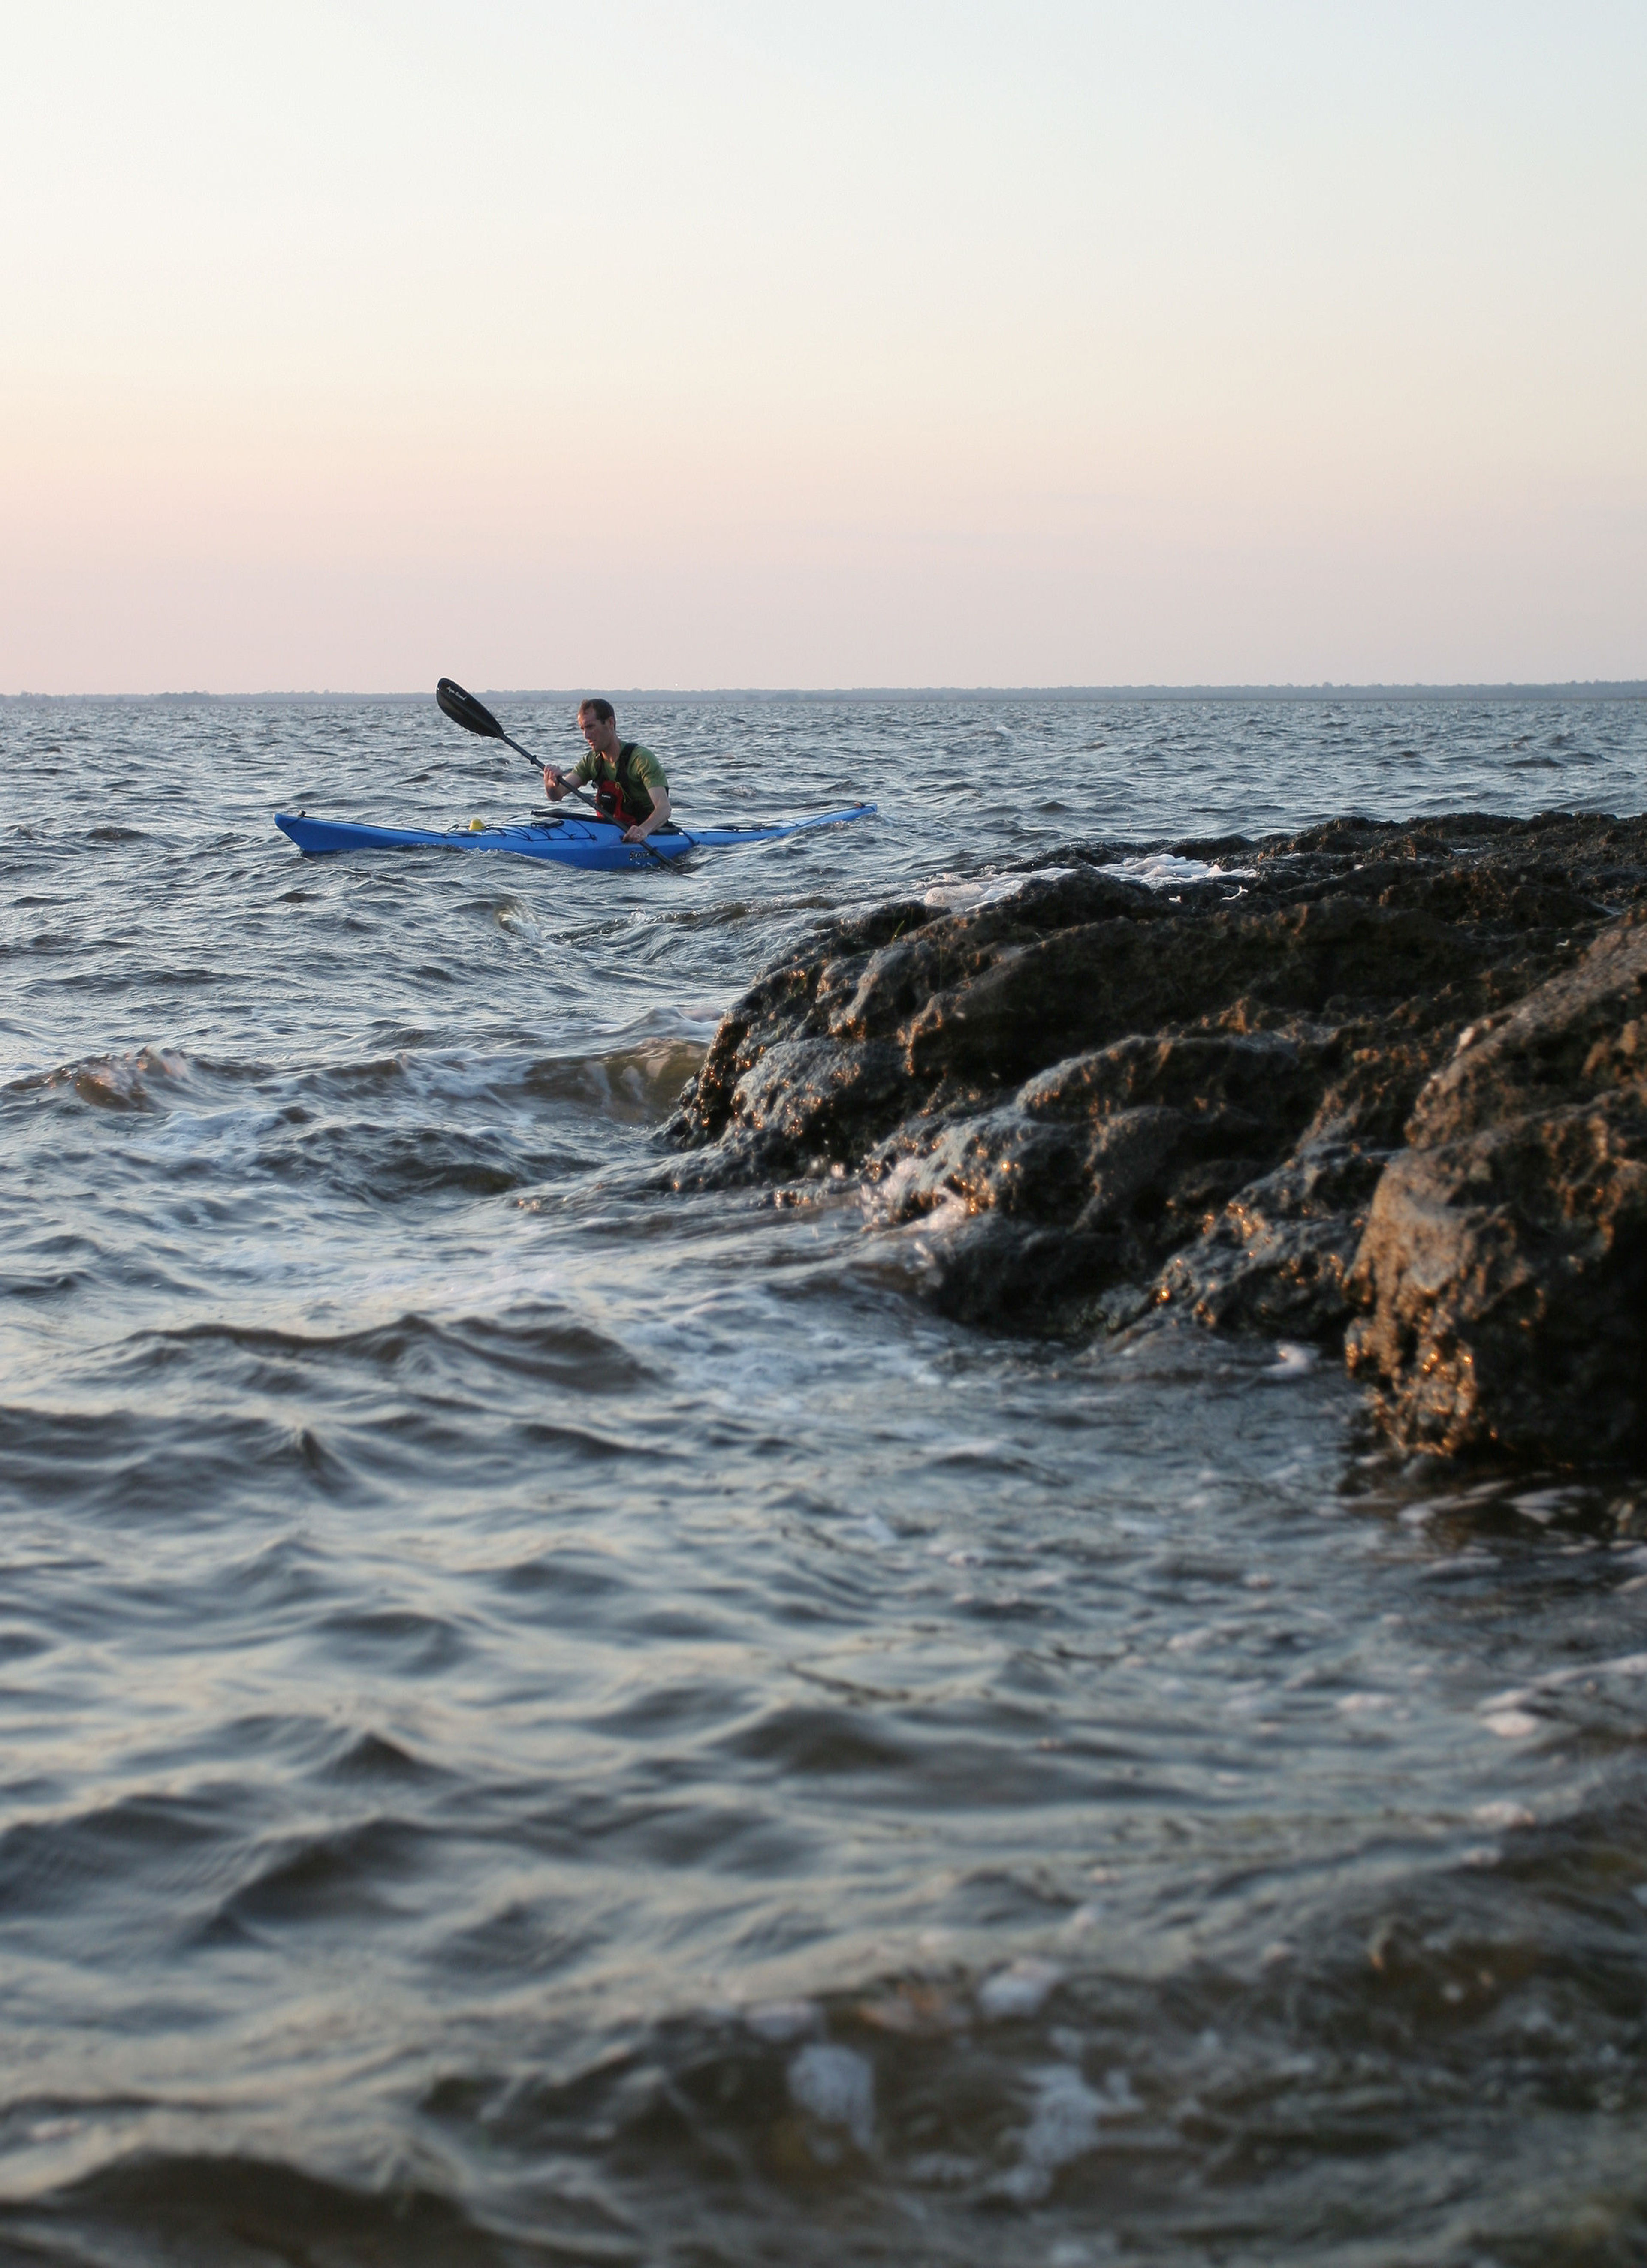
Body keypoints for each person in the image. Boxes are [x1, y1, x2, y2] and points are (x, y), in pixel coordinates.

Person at [544, 699, 672, 843]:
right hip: (611, 834)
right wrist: (550, 783)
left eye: (591, 727)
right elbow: (558, 795)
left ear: (610, 723)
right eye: (583, 729)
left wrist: (643, 830)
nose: (586, 736)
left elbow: (664, 809)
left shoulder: (641, 759)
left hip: (651, 835)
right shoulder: (592, 761)